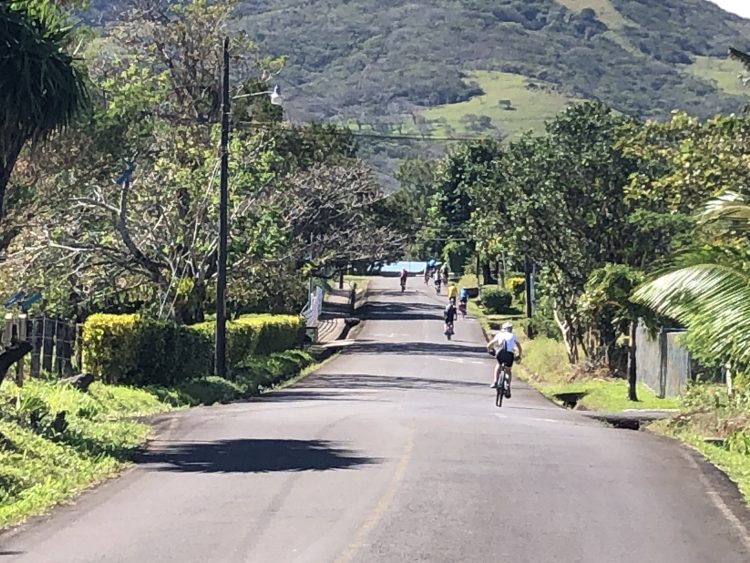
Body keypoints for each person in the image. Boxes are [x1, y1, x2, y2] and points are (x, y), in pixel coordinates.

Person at [487, 322, 523, 398]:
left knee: (498, 365)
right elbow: (519, 346)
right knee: (508, 370)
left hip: (500, 353)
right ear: (511, 329)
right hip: (509, 355)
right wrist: (519, 355)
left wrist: (490, 350)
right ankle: (508, 385)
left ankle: (495, 382)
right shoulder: (513, 335)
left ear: (503, 329)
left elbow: (489, 345)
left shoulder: (499, 334)